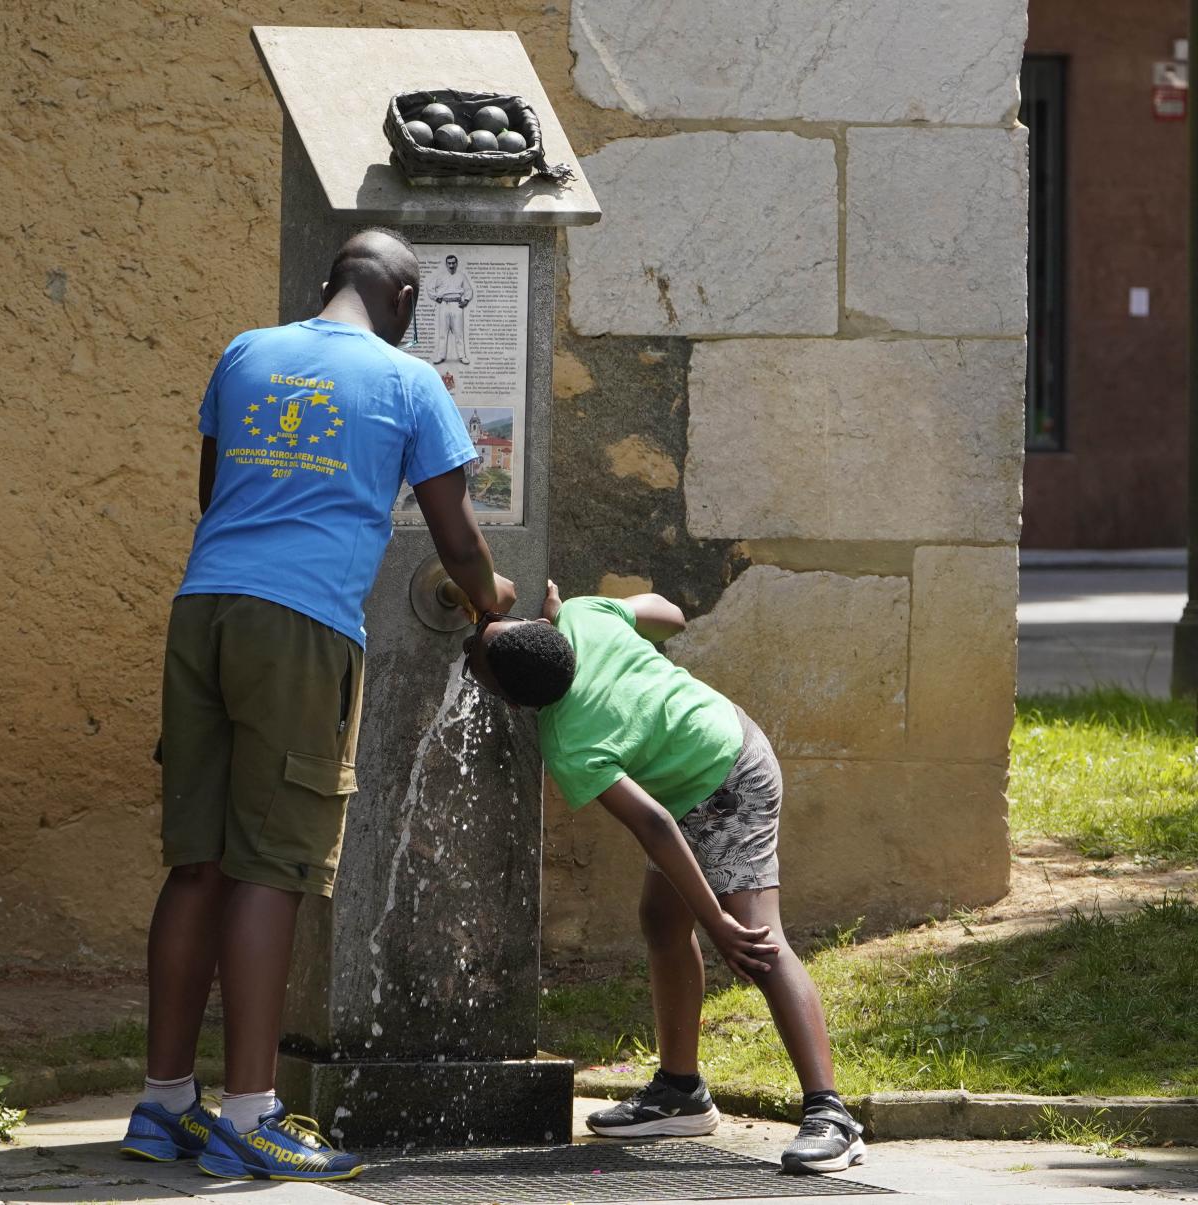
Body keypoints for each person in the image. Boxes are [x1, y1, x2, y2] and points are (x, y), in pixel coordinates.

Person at [119, 228, 515, 1182]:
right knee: (273, 864)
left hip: (203, 609)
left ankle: (164, 1103)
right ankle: (251, 1117)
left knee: (198, 863)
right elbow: (458, 539)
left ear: (326, 282)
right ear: (407, 303)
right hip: (300, 625)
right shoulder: (410, 381)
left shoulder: (246, 352)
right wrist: (492, 603)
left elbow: (215, 494)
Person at [459, 581, 867, 1176]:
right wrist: (597, 620)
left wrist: (717, 921)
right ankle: (681, 1092)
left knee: (756, 942)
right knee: (660, 920)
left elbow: (652, 825)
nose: (471, 640)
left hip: (730, 776)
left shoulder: (567, 743)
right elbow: (670, 615)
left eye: (476, 644)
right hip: (689, 777)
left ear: (516, 705)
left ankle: (832, 1116)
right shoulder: (583, 616)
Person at [425, 253, 474, 364]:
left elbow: (468, 290)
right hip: (444, 305)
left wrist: (466, 300)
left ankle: (462, 356)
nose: (451, 265)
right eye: (449, 263)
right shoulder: (440, 276)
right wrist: (435, 297)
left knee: (459, 333)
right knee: (443, 332)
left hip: (457, 305)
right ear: (446, 264)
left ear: (456, 263)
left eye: (453, 263)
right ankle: (441, 356)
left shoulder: (461, 276)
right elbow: (429, 287)